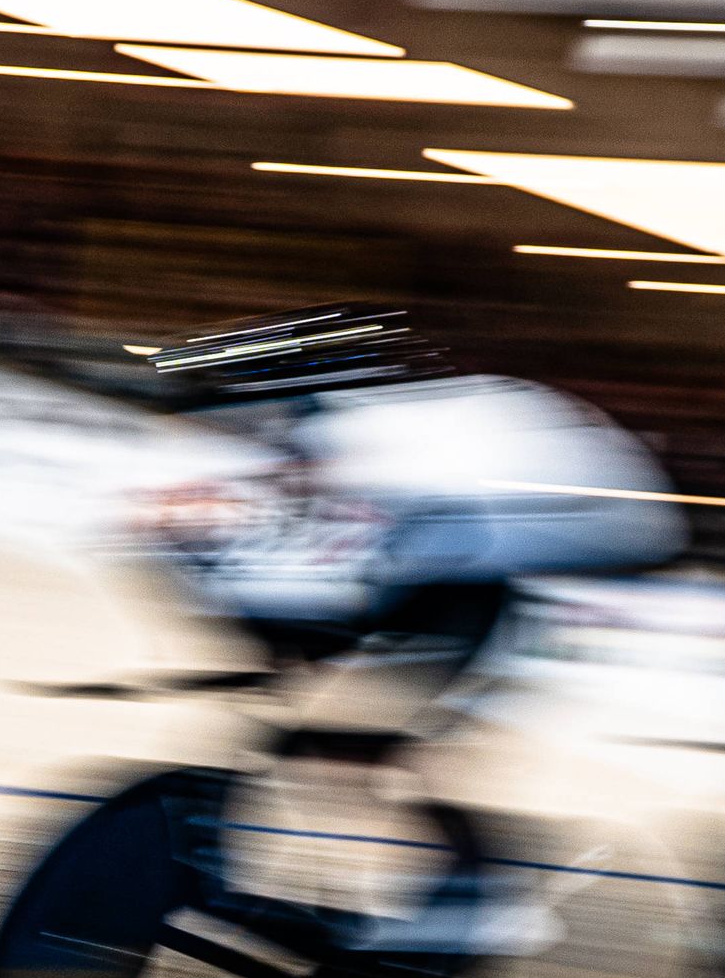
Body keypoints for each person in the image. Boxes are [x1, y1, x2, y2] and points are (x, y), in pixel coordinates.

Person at [131, 305, 685, 717]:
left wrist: (280, 655)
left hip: (498, 570)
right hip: (469, 562)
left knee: (352, 729)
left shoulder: (379, 436)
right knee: (336, 709)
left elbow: (334, 570)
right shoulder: (353, 431)